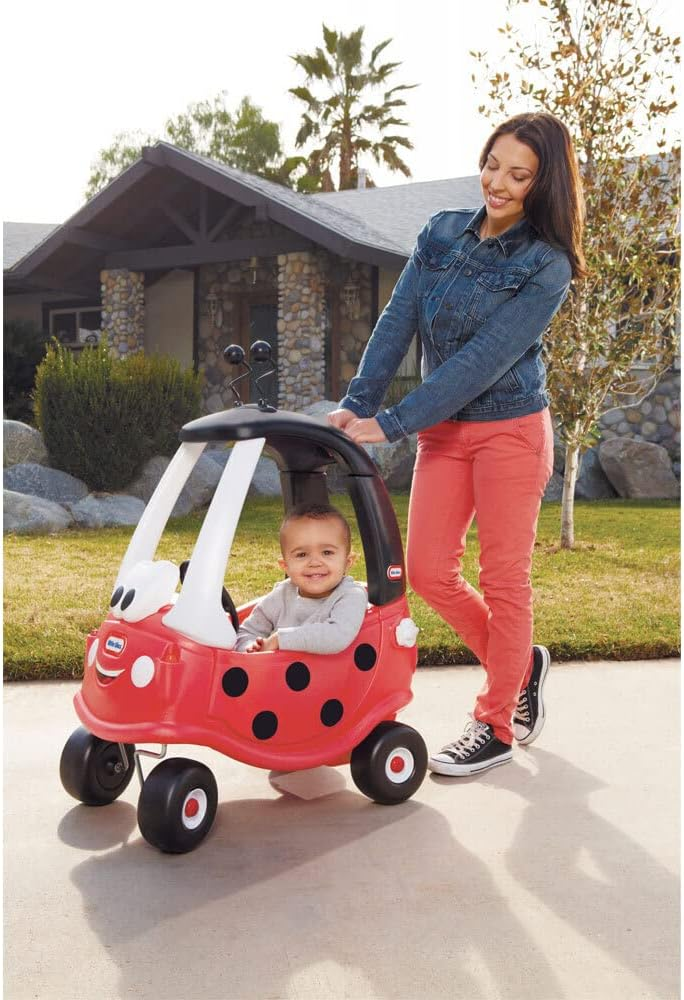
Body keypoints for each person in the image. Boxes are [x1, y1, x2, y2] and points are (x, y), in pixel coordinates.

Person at [328, 112, 586, 777]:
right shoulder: (439, 232)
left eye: (518, 175)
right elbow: (397, 321)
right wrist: (358, 404)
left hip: (510, 432)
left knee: (504, 581)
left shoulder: (547, 265)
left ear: (542, 185)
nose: (497, 183)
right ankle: (519, 666)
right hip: (445, 434)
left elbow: (481, 362)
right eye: (492, 164)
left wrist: (393, 422)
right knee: (427, 572)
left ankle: (495, 723)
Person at [234, 503, 368, 654]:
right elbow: (246, 632)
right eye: (302, 554)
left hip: (341, 669)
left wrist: (278, 640)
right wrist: (251, 647)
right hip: (277, 668)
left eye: (327, 552)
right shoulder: (281, 595)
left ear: (347, 562)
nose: (315, 562)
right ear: (285, 566)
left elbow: (337, 635)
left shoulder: (351, 595)